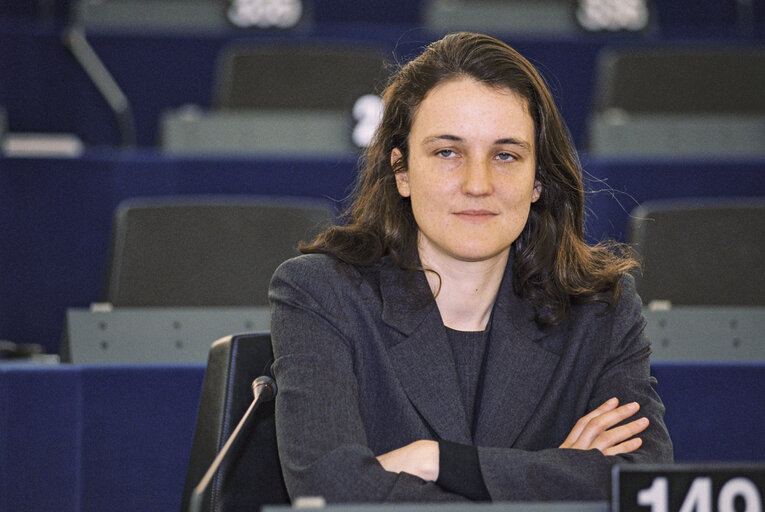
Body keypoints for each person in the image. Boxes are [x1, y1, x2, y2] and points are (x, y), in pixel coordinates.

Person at [268, 32, 673, 503]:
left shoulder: (601, 311)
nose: (477, 183)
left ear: (538, 179)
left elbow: (640, 484)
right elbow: (330, 491)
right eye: (447, 152)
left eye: (505, 155)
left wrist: (438, 461)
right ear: (401, 171)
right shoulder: (320, 294)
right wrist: (551, 478)